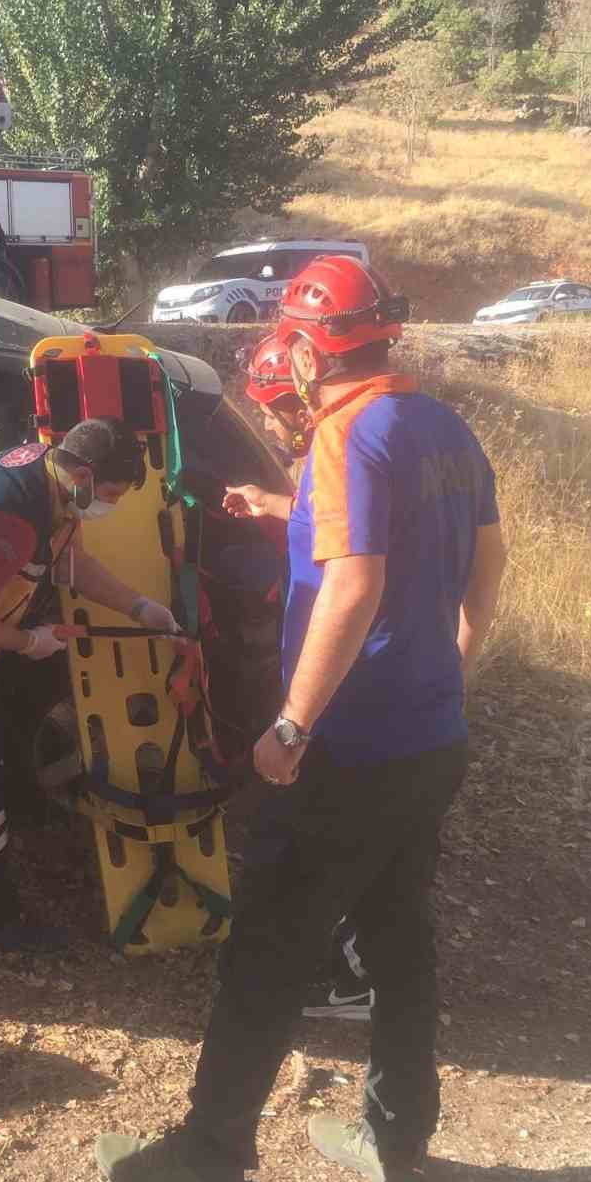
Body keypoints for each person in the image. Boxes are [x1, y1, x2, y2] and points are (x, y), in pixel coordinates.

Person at [96, 255, 507, 1182]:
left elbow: (356, 583)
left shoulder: (345, 433)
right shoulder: (444, 426)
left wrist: (290, 723)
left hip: (348, 752)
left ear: (314, 350)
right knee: (399, 938)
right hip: (429, 739)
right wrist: (454, 661)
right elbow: (481, 557)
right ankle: (398, 1141)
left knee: (269, 946)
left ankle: (207, 1159)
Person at [0, 415, 178, 951]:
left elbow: (68, 560)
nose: (112, 506)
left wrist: (139, 607)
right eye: (112, 494)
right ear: (85, 474)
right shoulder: (13, 516)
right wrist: (31, 642)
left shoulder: (48, 474)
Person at [227, 335, 373, 1024]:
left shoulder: (336, 450)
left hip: (333, 683)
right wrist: (271, 503)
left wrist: (296, 720)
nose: (264, 423)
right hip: (331, 678)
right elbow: (332, 529)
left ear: (294, 398)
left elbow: (356, 568)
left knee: (325, 829)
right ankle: (344, 967)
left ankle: (347, 978)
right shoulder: (326, 457)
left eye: (266, 410)